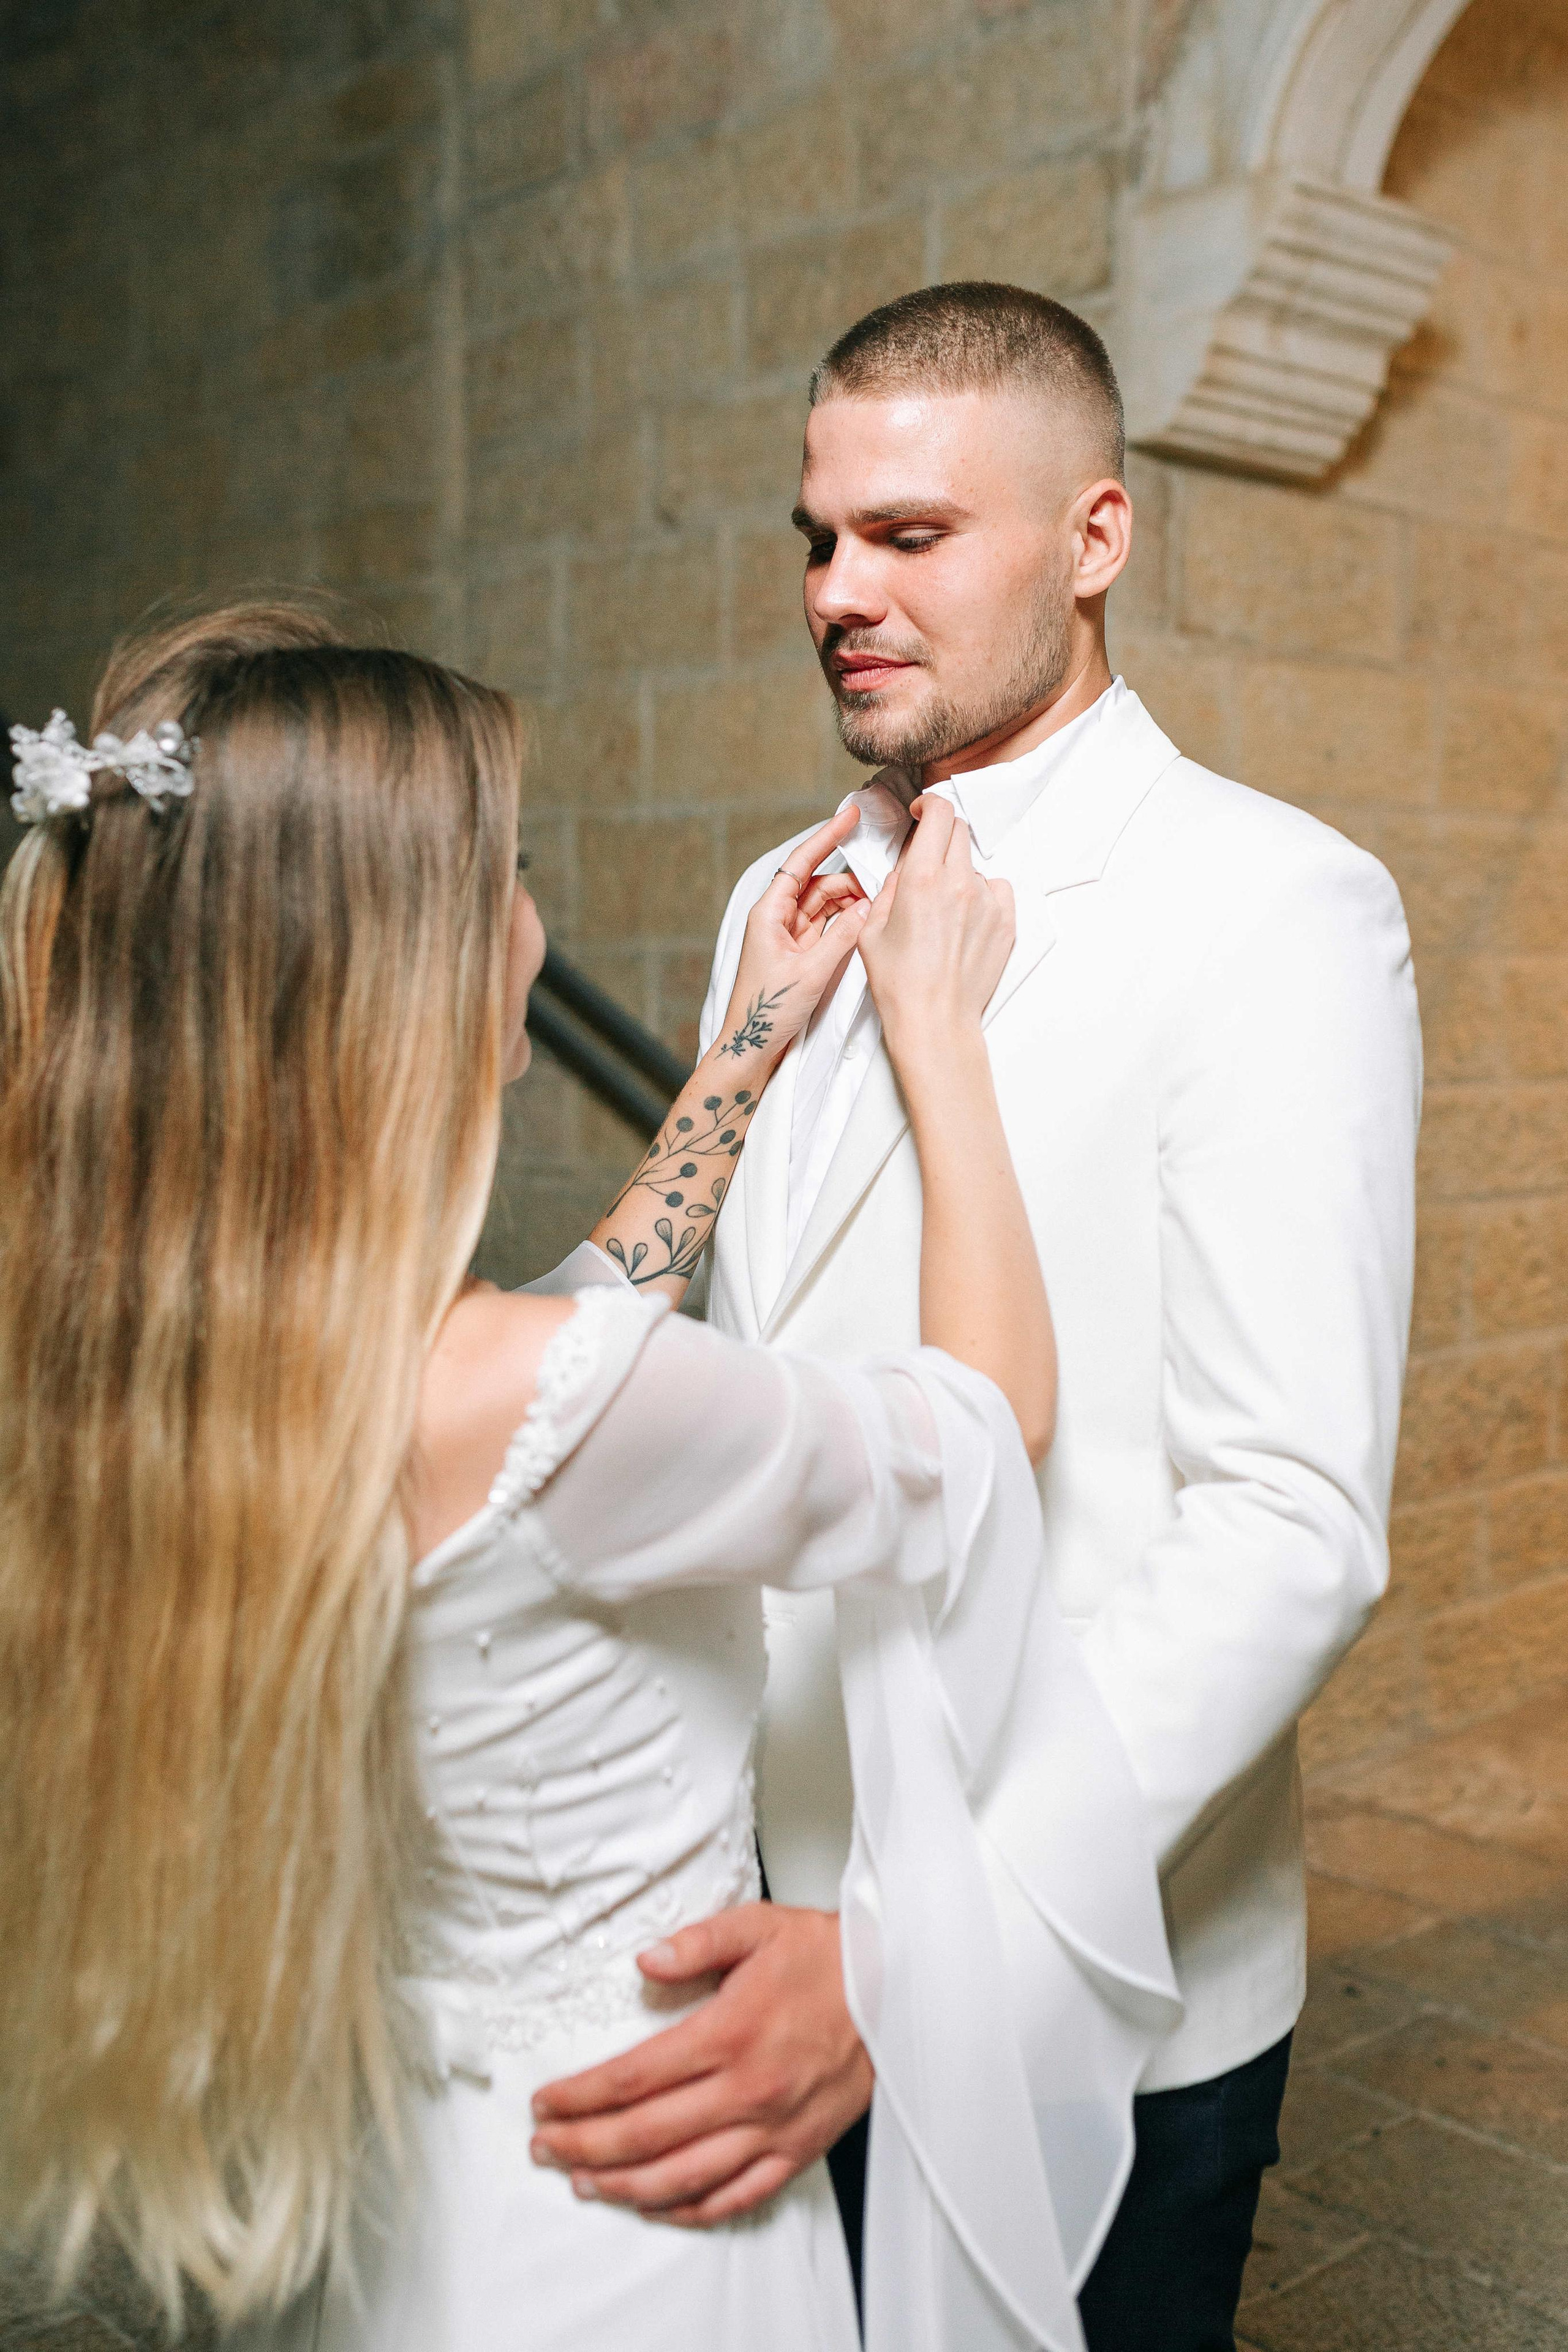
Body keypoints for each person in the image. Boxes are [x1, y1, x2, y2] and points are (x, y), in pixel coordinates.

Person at [0, 600, 1175, 2352]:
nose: (535, 929)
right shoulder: (581, 1407)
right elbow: (982, 1421)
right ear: (392, 976)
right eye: (508, 876)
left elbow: (571, 1327)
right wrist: (937, 1038)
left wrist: (742, 1053)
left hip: (399, 2196)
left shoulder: (139, 1360)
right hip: (633, 2235)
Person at [531, 282, 1423, 2351]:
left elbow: (1289, 1521)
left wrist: (918, 1947)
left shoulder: (1271, 904)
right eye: (818, 538)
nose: (841, 591)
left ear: (1094, 539)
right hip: (751, 1923)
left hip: (1083, 1955)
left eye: (914, 538)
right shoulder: (784, 893)